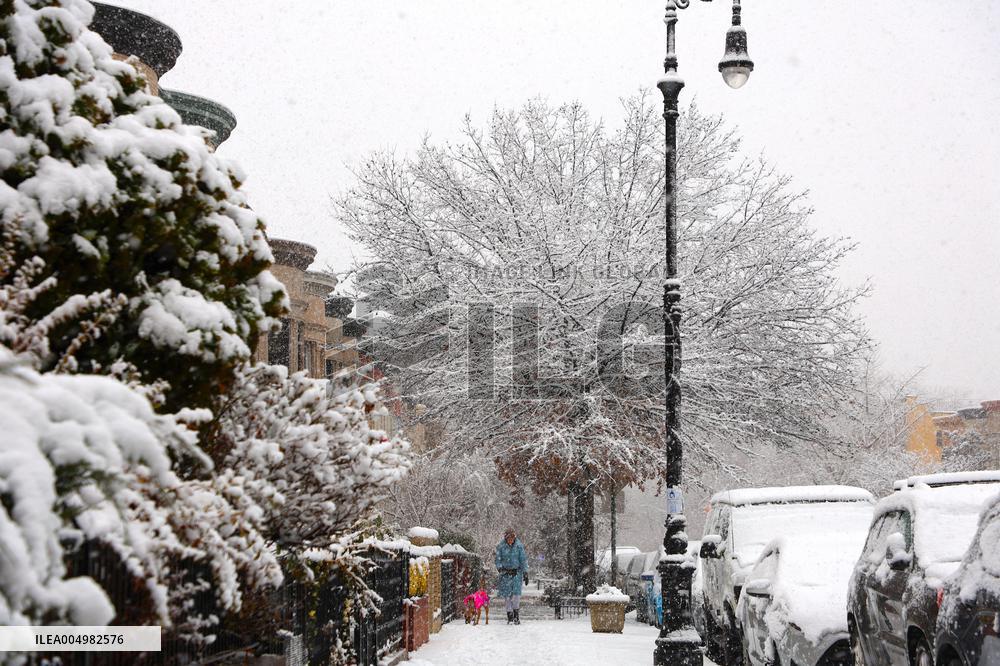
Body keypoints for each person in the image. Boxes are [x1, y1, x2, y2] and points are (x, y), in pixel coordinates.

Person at [495, 527, 528, 625]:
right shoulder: (501, 547)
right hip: (505, 575)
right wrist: (501, 568)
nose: (510, 540)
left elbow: (523, 559)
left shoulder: (519, 546)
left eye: (512, 538)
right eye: (509, 538)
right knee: (507, 597)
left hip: (517, 574)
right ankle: (510, 617)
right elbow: (498, 559)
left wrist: (525, 572)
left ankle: (516, 616)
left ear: (514, 538)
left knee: (516, 596)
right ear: (506, 538)